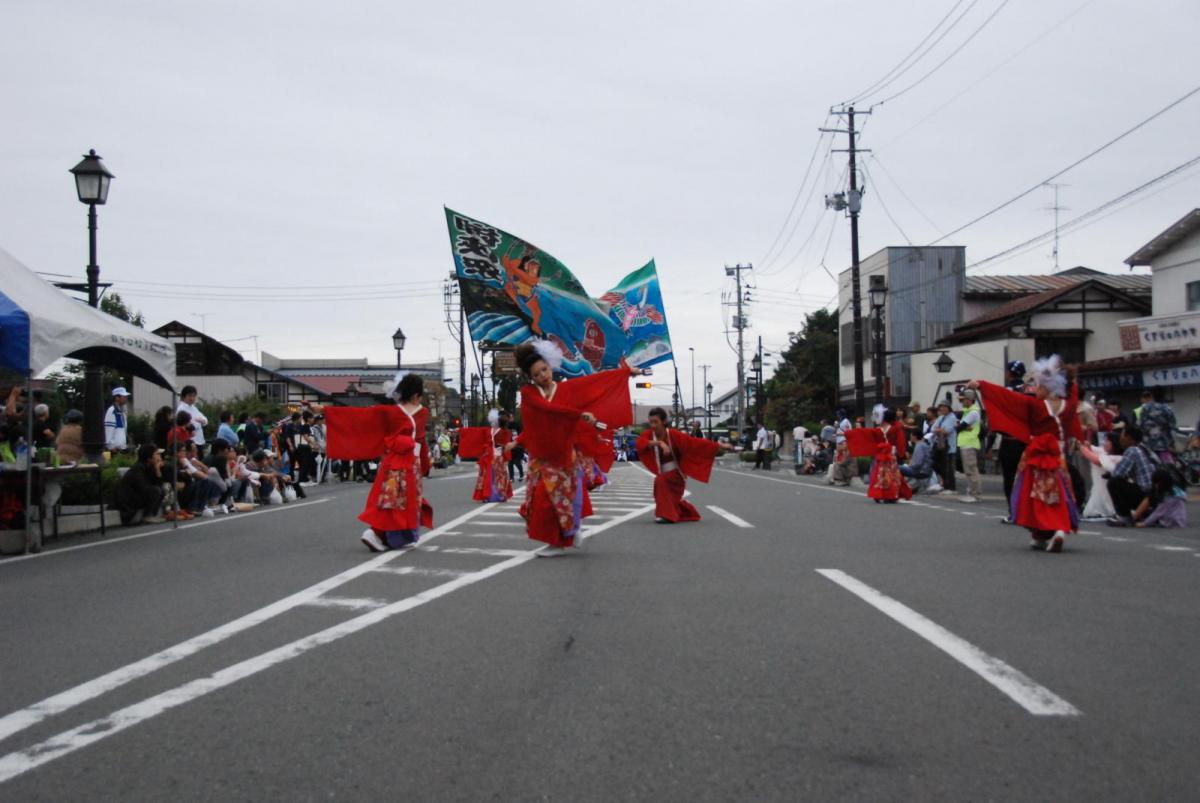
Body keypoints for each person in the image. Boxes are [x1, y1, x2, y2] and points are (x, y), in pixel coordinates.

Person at [513, 340, 637, 557]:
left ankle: (563, 538)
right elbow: (547, 410)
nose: (543, 375)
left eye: (544, 369)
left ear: (551, 365)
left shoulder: (566, 389)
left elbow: (594, 383)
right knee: (542, 501)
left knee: (560, 499)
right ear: (530, 378)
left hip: (564, 455)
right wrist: (578, 414)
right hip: (542, 458)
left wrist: (624, 374)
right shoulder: (529, 393)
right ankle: (567, 534)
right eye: (536, 374)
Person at [967, 354, 1083, 553]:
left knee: (1034, 496)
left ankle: (1042, 532)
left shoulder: (1035, 406)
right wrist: (1063, 375)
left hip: (1036, 457)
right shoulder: (1069, 407)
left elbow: (1008, 399)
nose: (1034, 388)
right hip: (1058, 458)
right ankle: (1056, 530)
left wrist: (981, 385)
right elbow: (1072, 390)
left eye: (1038, 385)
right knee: (1061, 493)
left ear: (1048, 387)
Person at [326, 373, 433, 553]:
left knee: (392, 498)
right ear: (416, 395)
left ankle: (397, 537)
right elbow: (421, 441)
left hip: (393, 461)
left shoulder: (389, 411)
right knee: (402, 500)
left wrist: (323, 410)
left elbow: (358, 416)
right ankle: (377, 533)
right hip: (410, 462)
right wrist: (424, 465)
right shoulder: (422, 413)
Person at [636, 406, 720, 523]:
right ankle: (682, 511)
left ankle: (666, 515)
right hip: (662, 472)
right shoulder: (649, 434)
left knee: (660, 481)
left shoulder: (673, 435)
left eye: (656, 422)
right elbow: (640, 443)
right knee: (661, 490)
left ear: (664, 421)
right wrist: (659, 443)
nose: (653, 425)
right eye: (651, 422)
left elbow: (694, 443)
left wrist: (717, 446)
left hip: (676, 474)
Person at [985, 360, 1030, 521]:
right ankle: (1028, 511)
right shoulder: (1030, 391)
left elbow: (995, 419)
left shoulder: (1006, 393)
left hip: (1010, 440)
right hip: (1028, 441)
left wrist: (989, 445)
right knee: (1028, 476)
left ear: (1009, 373)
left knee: (1010, 477)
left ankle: (1014, 511)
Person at [846, 406, 911, 503]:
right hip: (891, 454)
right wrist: (901, 452)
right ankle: (890, 495)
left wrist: (850, 433)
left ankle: (879, 494)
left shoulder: (878, 429)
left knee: (879, 475)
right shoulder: (896, 428)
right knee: (892, 476)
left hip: (880, 455)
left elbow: (865, 434)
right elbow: (900, 442)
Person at [1104, 425, 1157, 526]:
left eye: (1122, 436)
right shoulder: (1145, 448)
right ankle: (1143, 513)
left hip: (1145, 494)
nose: (1120, 439)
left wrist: (1109, 474)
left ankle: (1124, 517)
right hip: (1155, 495)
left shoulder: (1132, 450)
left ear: (1130, 439)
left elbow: (1118, 474)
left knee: (1113, 483)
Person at [459, 409, 514, 503]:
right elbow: (475, 433)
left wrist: (462, 431)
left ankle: (492, 495)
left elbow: (474, 433)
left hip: (493, 456)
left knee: (492, 477)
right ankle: (494, 495)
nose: (492, 423)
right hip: (493, 456)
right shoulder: (496, 431)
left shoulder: (496, 431)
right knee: (494, 476)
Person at [115, 445, 167, 525]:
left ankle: (152, 515)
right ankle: (147, 516)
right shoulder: (138, 468)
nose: (159, 457)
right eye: (156, 454)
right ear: (148, 457)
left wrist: (157, 469)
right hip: (130, 500)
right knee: (155, 490)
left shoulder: (150, 467)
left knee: (161, 490)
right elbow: (143, 488)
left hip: (140, 495)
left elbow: (159, 484)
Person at [1137, 388, 1177, 463]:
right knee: (1167, 469)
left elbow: (1141, 426)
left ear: (1152, 395)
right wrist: (1172, 443)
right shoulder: (1168, 409)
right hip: (1164, 446)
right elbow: (1172, 428)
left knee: (1151, 468)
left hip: (1148, 447)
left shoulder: (1145, 408)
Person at [956, 388, 983, 502]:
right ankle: (972, 491)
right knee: (969, 470)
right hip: (966, 443)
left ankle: (975, 494)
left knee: (971, 470)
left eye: (964, 400)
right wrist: (963, 426)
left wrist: (962, 426)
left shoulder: (973, 412)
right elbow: (961, 426)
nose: (962, 402)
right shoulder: (968, 412)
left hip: (969, 443)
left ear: (970, 400)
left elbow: (959, 427)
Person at [931, 401, 958, 493]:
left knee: (948, 467)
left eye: (943, 407)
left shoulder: (952, 417)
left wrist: (939, 430)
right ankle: (944, 484)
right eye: (940, 407)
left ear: (948, 408)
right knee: (939, 465)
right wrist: (939, 430)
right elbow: (933, 428)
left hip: (948, 445)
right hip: (939, 444)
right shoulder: (941, 417)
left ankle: (951, 487)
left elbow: (947, 431)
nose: (941, 409)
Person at [176, 385, 208, 456]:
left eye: (194, 396)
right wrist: (199, 422)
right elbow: (186, 424)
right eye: (190, 396)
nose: (192, 398)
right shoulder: (181, 409)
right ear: (184, 396)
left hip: (199, 440)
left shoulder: (194, 408)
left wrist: (202, 421)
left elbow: (205, 420)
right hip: (190, 441)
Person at [104, 387, 131, 451]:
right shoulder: (112, 411)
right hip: (114, 449)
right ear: (117, 398)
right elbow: (108, 430)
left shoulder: (122, 412)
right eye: (124, 396)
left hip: (121, 449)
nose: (126, 398)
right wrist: (110, 446)